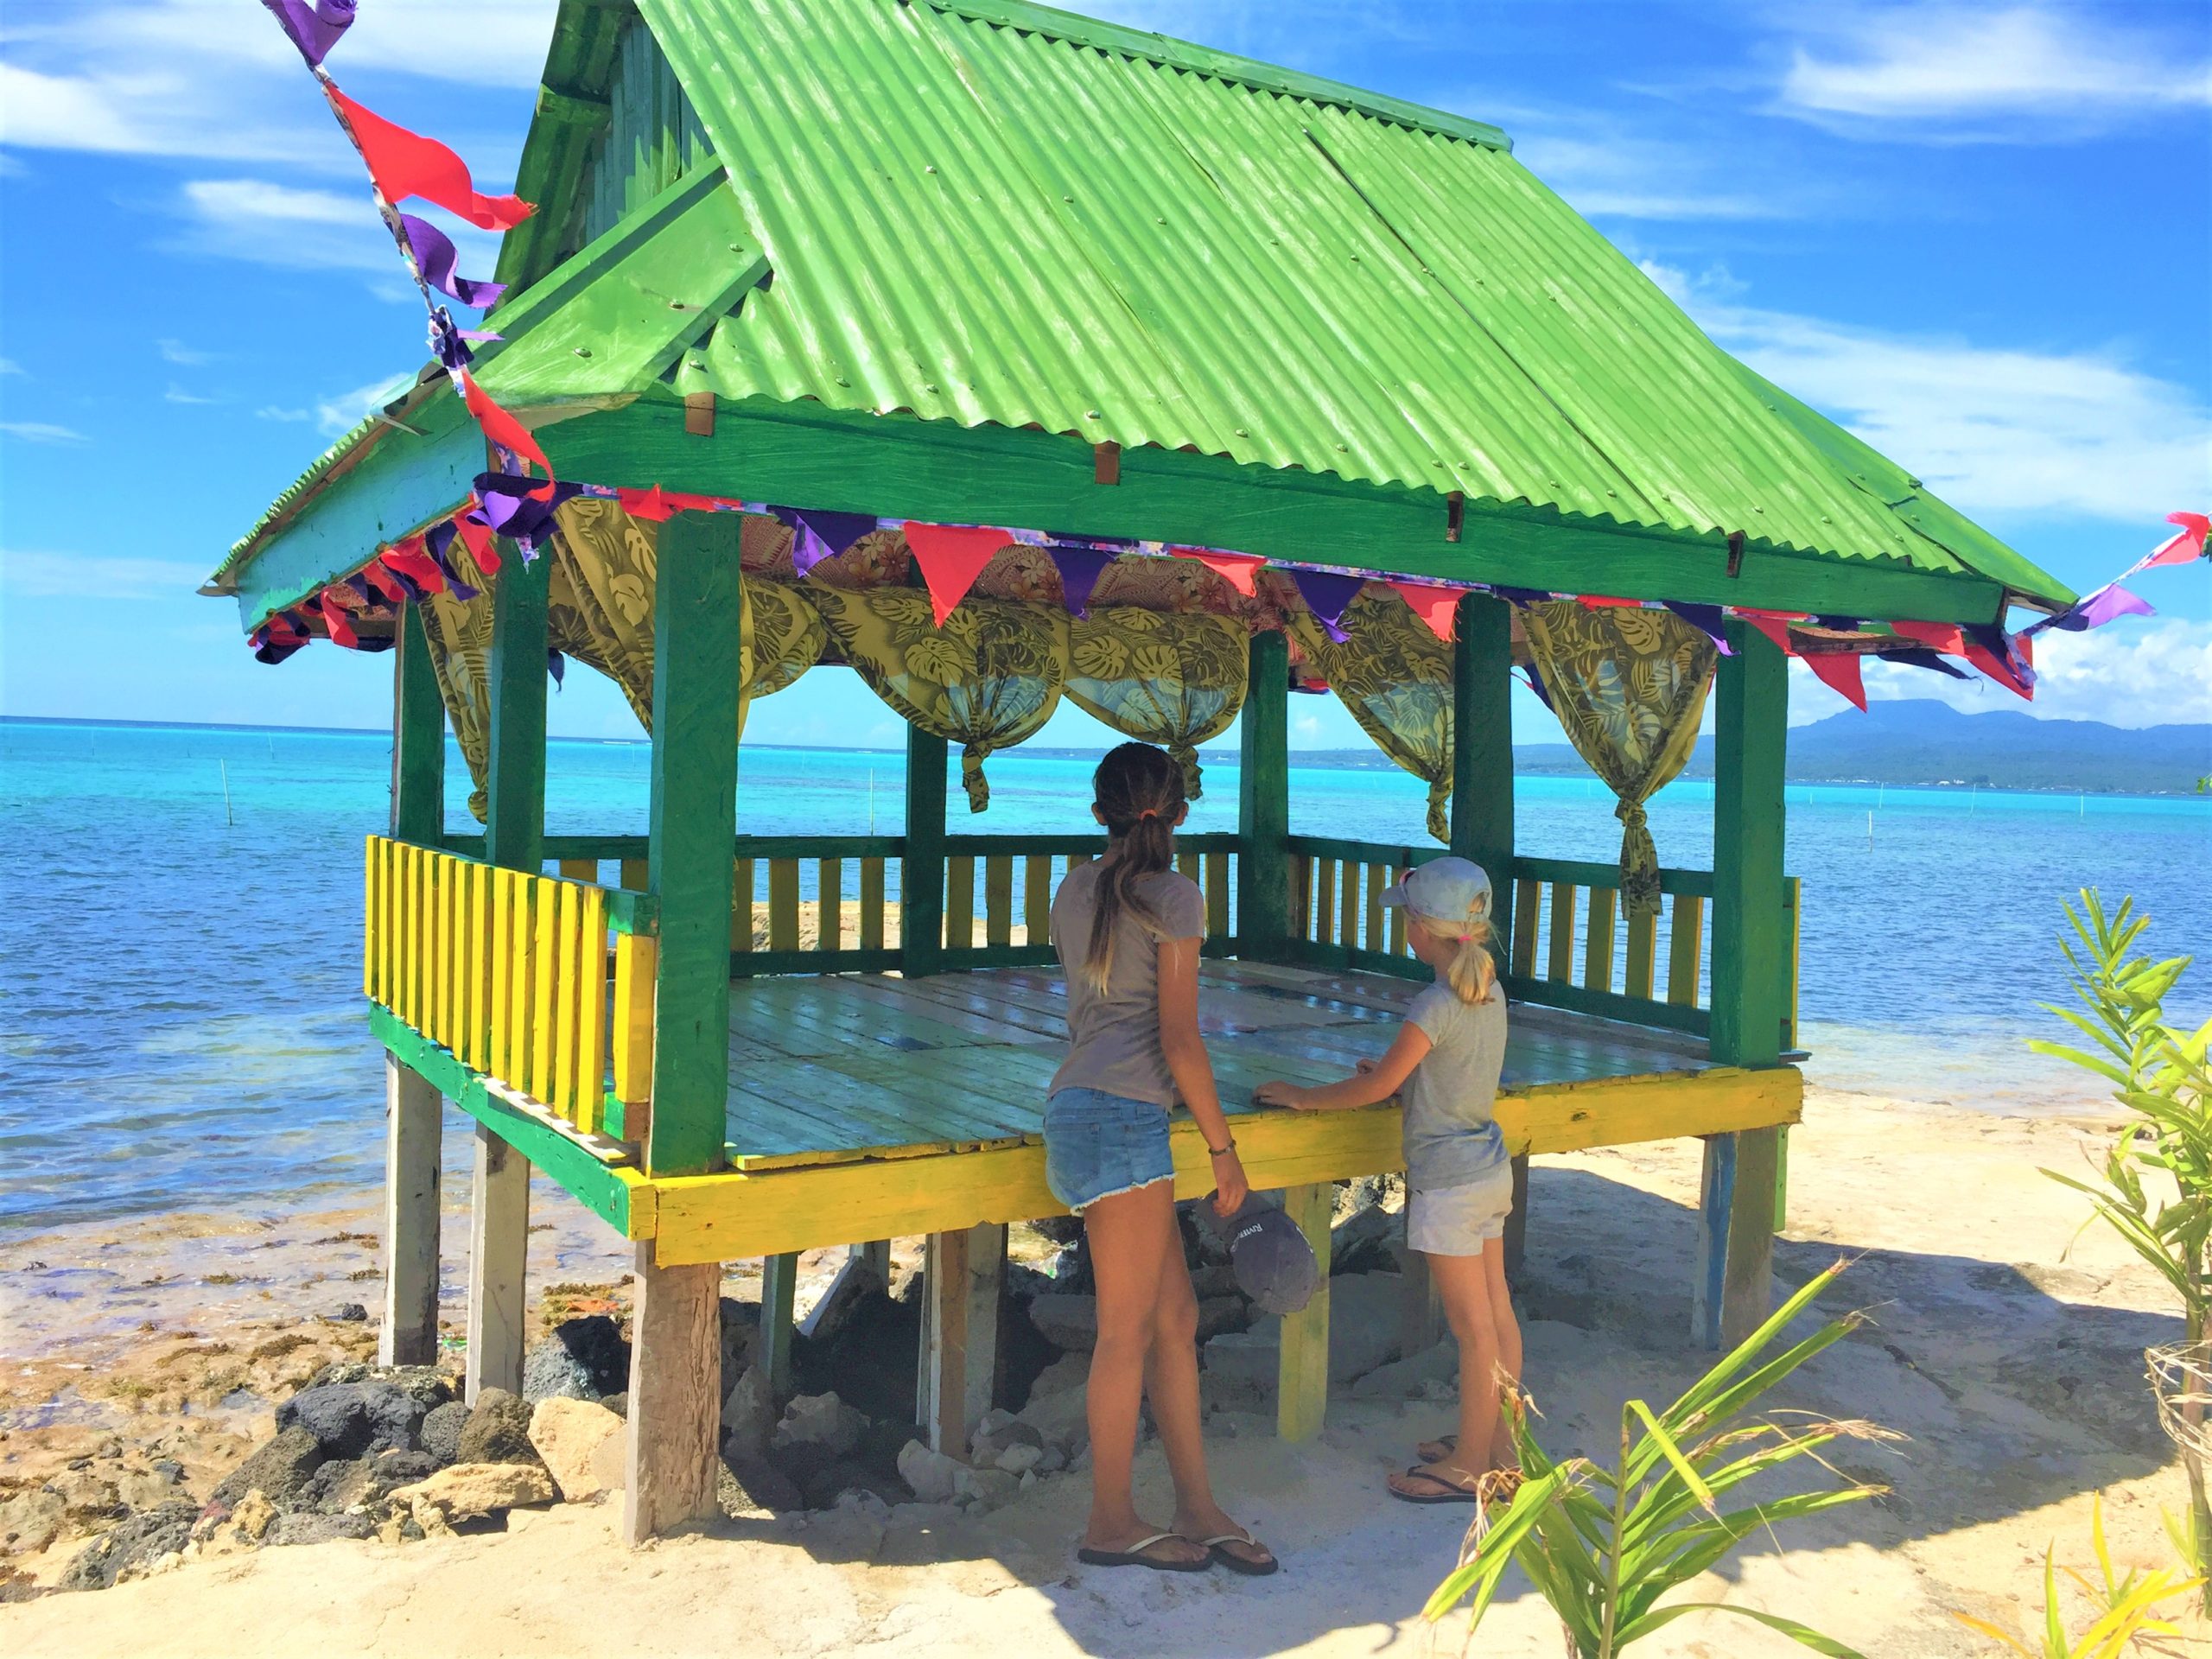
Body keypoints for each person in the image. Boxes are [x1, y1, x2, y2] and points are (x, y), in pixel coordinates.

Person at [1045, 742, 1278, 1575]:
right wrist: (1225, 1150)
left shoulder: (1074, 888)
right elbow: (1180, 1038)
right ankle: (1110, 1519)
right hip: (1124, 1125)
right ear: (1179, 813)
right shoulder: (1177, 897)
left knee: (1173, 1320)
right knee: (1126, 1333)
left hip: (1083, 1111)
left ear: (1099, 811)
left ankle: (1196, 1504)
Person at [1252, 856, 1521, 1505]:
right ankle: (1502, 1450)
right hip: (1488, 1168)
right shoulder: (1487, 989)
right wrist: (1405, 1077)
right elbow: (1440, 1075)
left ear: (1420, 930)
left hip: (1449, 1185)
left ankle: (1467, 1469)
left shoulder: (1433, 1002)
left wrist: (1305, 1097)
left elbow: (1377, 1085)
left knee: (1472, 1329)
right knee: (1499, 1316)